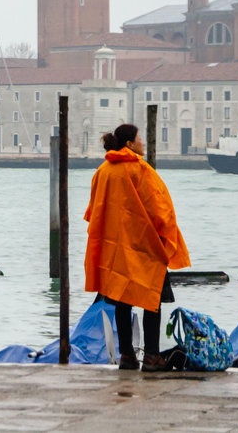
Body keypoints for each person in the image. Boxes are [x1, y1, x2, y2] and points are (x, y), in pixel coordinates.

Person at [84, 123, 190, 371]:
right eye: (140, 138)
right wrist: (168, 238)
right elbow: (160, 210)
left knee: (123, 300)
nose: (143, 142)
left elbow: (93, 213)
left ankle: (127, 355)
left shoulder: (102, 171)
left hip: (116, 250)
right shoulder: (141, 170)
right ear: (130, 144)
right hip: (144, 246)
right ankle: (152, 356)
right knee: (152, 300)